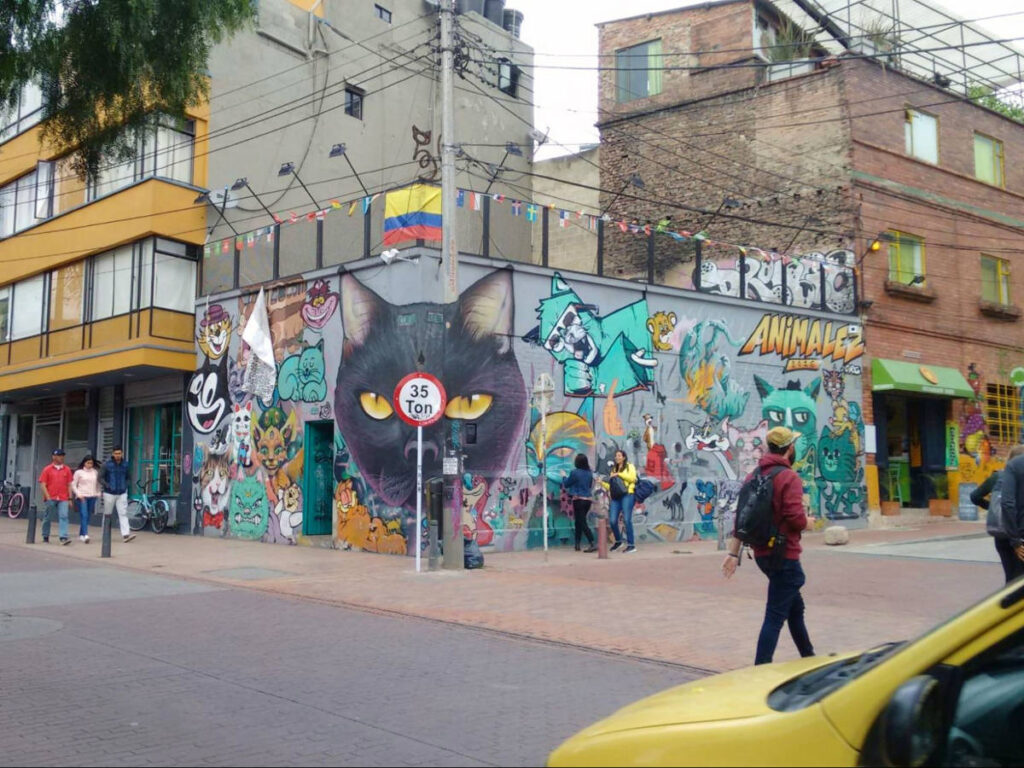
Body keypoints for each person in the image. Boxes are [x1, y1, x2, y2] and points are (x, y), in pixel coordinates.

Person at [722, 426, 815, 665]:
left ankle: (809, 658)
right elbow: (795, 517)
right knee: (775, 615)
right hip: (785, 554)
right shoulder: (789, 477)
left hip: (763, 553)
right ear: (790, 448)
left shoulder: (754, 475)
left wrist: (733, 552)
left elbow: (741, 516)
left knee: (795, 608)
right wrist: (808, 522)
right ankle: (760, 668)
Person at [997, 443, 1024, 583]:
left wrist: (1015, 541)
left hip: (1020, 533)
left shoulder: (1014, 465)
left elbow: (1007, 504)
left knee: (1015, 586)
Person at [562, 454, 597, 553]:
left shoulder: (575, 473)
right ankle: (577, 544)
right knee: (578, 521)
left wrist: (564, 476)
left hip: (578, 500)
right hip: (587, 500)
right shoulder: (589, 473)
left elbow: (567, 483)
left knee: (582, 522)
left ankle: (592, 542)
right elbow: (589, 485)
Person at [101, 446, 136, 543]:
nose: (117, 455)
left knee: (123, 513)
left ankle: (126, 534)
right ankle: (105, 534)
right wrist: (107, 485)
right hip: (109, 493)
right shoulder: (107, 465)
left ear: (122, 454)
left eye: (119, 453)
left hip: (121, 492)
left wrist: (126, 485)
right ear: (112, 454)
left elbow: (129, 477)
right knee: (107, 514)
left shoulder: (125, 464)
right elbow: (100, 477)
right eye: (116, 453)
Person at [39, 448, 74, 545]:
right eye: (59, 456)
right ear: (53, 457)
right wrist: (48, 497)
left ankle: (63, 537)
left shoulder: (67, 469)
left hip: (63, 497)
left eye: (62, 456)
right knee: (47, 517)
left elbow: (69, 484)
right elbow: (43, 484)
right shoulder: (47, 469)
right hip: (51, 497)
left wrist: (70, 498)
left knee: (64, 516)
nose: (61, 458)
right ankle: (45, 535)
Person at [608, 449, 639, 554]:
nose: (617, 457)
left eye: (619, 455)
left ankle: (631, 545)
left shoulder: (630, 466)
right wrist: (602, 483)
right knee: (612, 520)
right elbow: (612, 485)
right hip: (616, 497)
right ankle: (618, 541)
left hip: (627, 495)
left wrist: (618, 474)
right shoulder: (614, 469)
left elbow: (632, 478)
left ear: (624, 457)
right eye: (616, 456)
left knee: (627, 519)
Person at [71, 455, 101, 543]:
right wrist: (78, 494)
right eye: (88, 463)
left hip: (92, 496)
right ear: (84, 463)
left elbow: (97, 484)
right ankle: (85, 534)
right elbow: (73, 484)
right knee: (84, 515)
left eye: (91, 463)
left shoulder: (95, 472)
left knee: (88, 516)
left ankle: (81, 534)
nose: (89, 464)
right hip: (82, 497)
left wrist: (98, 492)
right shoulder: (79, 472)